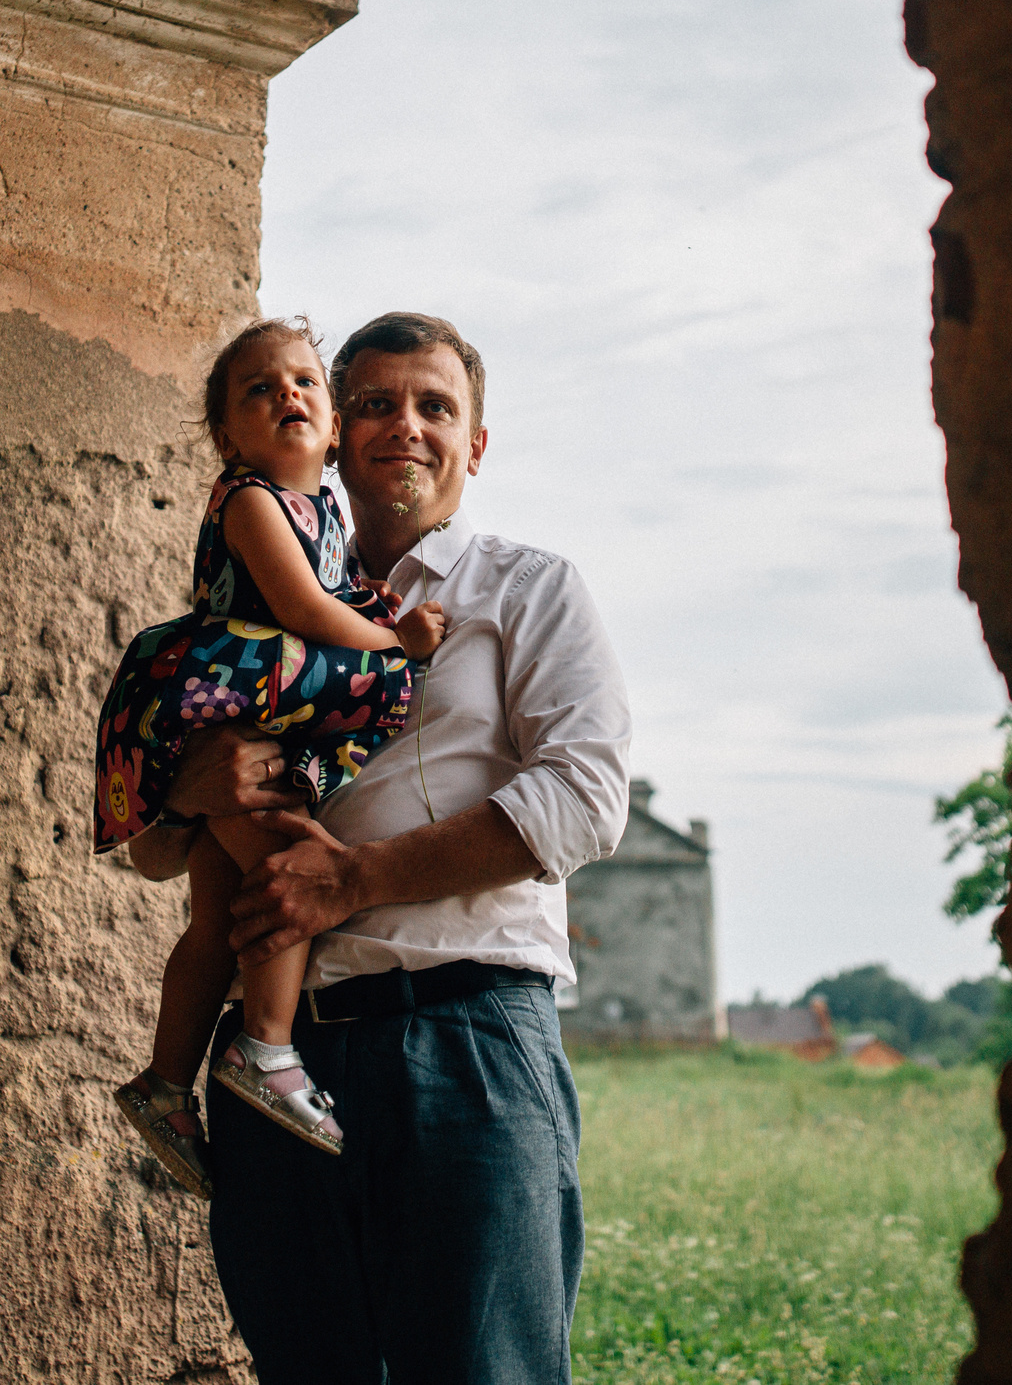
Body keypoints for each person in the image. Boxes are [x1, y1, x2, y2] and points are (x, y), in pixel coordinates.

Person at [129, 311, 632, 1385]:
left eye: (435, 406)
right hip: (275, 1064)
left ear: (474, 445)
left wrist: (353, 882)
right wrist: (188, 791)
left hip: (466, 1039)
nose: (404, 424)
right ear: (334, 437)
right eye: (374, 403)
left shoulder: (527, 589)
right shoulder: (263, 602)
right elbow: (158, 858)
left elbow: (586, 798)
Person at [101, 318, 449, 1195]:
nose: (287, 393)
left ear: (332, 429)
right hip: (225, 703)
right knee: (291, 876)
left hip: (260, 715)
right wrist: (396, 639)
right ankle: (266, 1048)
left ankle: (164, 1085)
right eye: (260, 389)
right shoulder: (251, 500)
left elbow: (332, 592)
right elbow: (303, 609)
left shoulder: (323, 511)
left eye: (305, 382)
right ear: (228, 437)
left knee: (217, 922)